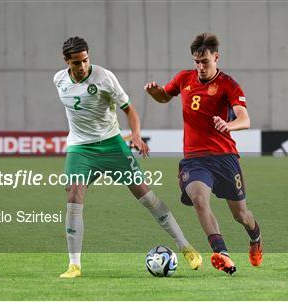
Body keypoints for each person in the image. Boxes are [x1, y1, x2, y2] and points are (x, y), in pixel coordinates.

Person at [54, 36, 202, 278]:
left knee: (146, 196)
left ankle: (186, 247)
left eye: (85, 60)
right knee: (73, 196)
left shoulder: (104, 78)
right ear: (66, 62)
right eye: (76, 63)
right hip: (80, 148)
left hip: (112, 146)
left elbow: (129, 109)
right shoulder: (59, 80)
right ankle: (74, 265)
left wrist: (135, 135)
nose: (82, 67)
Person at [144, 33, 263, 275]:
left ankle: (255, 238)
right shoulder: (184, 78)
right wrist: (155, 92)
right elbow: (165, 97)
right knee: (199, 198)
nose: (200, 67)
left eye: (205, 62)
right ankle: (222, 252)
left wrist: (228, 126)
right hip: (195, 159)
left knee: (241, 215)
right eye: (196, 62)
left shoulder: (229, 85)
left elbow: (245, 119)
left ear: (216, 57)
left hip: (225, 157)